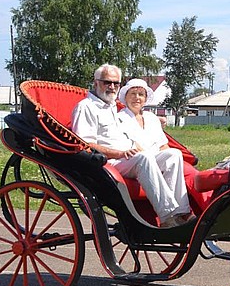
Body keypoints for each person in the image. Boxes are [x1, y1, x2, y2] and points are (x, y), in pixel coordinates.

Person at [71, 65, 192, 227]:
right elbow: (85, 144)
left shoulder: (111, 106)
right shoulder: (86, 107)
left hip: (127, 157)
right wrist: (119, 153)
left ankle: (182, 213)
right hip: (108, 162)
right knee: (144, 157)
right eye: (107, 82)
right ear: (96, 83)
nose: (112, 87)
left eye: (116, 83)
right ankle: (167, 217)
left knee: (173, 155)